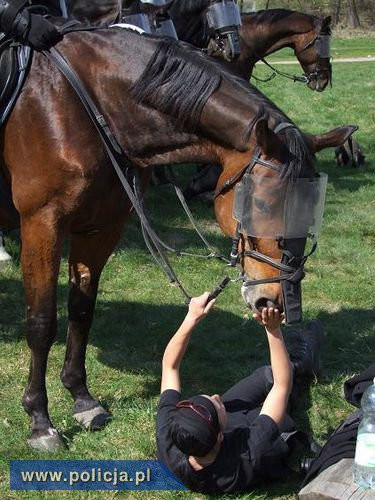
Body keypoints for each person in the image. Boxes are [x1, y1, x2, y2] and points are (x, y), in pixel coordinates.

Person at [156, 292, 325, 493]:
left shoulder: (170, 433)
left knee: (266, 375)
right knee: (281, 394)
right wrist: (273, 330)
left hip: (219, 434)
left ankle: (297, 364)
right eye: (215, 404)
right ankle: (306, 360)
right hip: (264, 438)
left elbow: (169, 366)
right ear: (220, 436)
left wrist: (191, 317)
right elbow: (282, 385)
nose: (216, 397)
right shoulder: (251, 450)